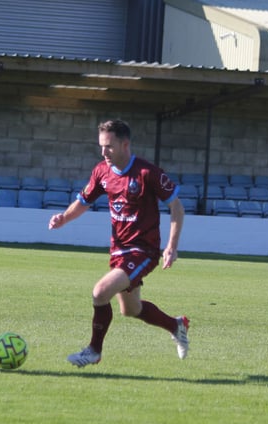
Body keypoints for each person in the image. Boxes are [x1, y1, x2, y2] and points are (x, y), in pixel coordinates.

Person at [48, 119, 189, 368]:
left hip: (143, 250)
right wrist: (64, 218)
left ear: (125, 144)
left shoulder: (147, 173)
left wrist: (171, 246)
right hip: (119, 251)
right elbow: (84, 201)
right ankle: (175, 325)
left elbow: (177, 208)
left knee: (100, 292)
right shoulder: (102, 171)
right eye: (101, 146)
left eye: (109, 147)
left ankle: (94, 351)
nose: (104, 152)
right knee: (131, 310)